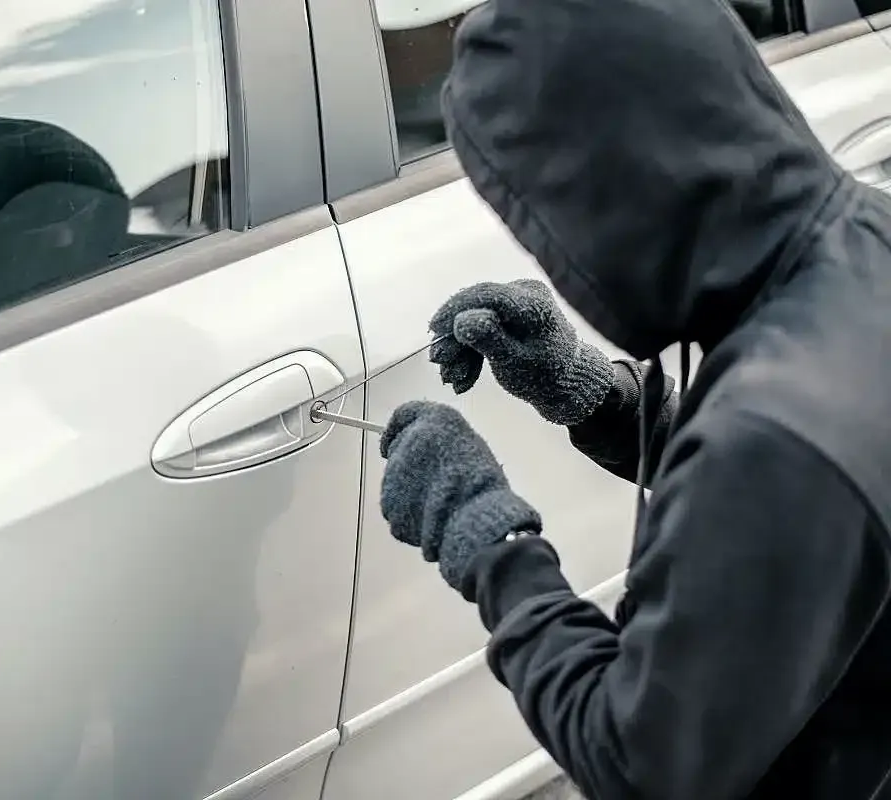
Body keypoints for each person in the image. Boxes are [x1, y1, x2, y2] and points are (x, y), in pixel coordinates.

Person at [376, 1, 891, 799]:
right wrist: (600, 399)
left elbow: (641, 763)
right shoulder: (863, 245)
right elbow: (799, 512)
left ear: (611, 194)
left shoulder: (773, 439)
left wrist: (486, 535)